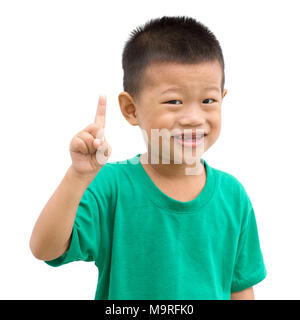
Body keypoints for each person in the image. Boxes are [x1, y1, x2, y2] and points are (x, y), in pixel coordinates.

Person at [30, 15, 267, 300]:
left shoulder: (233, 195)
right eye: (174, 101)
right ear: (131, 109)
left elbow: (239, 288)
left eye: (208, 101)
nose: (193, 117)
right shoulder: (112, 185)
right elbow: (45, 248)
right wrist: (78, 175)